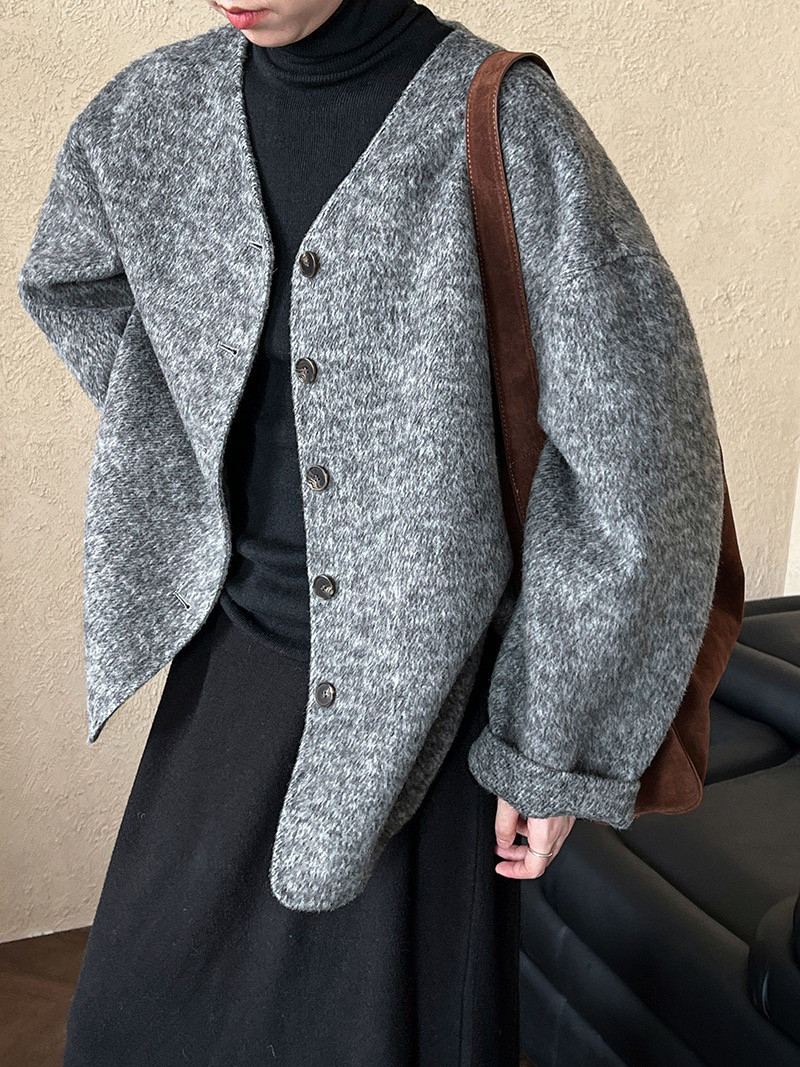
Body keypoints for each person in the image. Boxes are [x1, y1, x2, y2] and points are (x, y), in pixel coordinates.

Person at [17, 1, 725, 1064]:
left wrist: (553, 747)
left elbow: (645, 459)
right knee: (128, 1022)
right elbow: (69, 276)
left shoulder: (505, 124)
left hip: (430, 699)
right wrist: (176, 432)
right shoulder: (152, 113)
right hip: (229, 665)